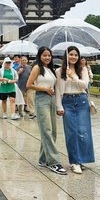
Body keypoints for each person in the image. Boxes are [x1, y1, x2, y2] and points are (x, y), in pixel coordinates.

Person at [26, 47, 67, 175]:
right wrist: (44, 89)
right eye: (44, 55)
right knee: (46, 130)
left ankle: (43, 159)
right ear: (40, 56)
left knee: (52, 131)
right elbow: (29, 84)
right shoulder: (37, 68)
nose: (47, 57)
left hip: (51, 100)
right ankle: (54, 162)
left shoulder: (51, 69)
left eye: (49, 55)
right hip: (41, 99)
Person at [55, 46, 95, 174]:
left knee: (83, 131)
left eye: (76, 55)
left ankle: (82, 159)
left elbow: (85, 85)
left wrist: (73, 76)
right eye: (71, 54)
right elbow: (58, 91)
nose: (73, 57)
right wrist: (59, 106)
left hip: (81, 100)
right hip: (67, 101)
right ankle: (74, 161)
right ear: (66, 56)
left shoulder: (82, 69)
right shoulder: (59, 71)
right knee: (71, 132)